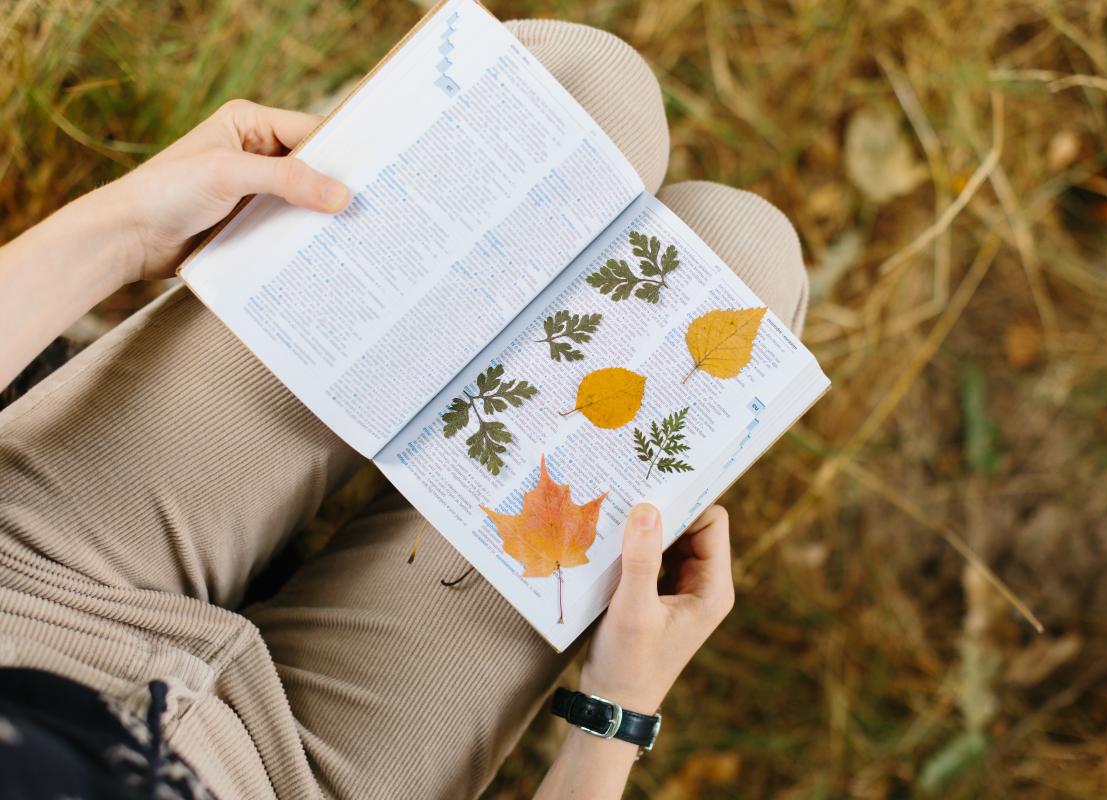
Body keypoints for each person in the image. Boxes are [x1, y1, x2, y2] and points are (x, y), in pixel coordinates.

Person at [0, 18, 808, 800]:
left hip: (32, 576)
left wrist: (127, 228)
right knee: (744, 261)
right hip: (296, 781)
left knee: (578, 88)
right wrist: (616, 712)